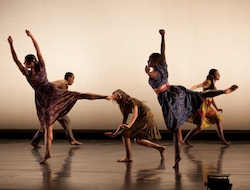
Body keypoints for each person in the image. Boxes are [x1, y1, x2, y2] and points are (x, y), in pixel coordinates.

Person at [8, 30, 108, 164]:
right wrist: (31, 37)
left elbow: (16, 59)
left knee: (49, 124)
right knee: (77, 96)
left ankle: (48, 152)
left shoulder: (28, 73)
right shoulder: (41, 66)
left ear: (30, 62)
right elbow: (37, 49)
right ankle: (105, 97)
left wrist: (11, 44)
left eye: (26, 62)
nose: (25, 64)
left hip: (43, 98)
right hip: (51, 92)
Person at [145, 29, 238, 168]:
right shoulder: (163, 65)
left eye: (150, 60)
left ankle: (177, 156)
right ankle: (223, 91)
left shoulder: (156, 72)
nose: (148, 61)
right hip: (175, 91)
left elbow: (154, 75)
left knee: (176, 129)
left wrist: (148, 72)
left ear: (155, 63)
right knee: (200, 95)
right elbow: (163, 51)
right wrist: (163, 36)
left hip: (168, 100)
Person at [104, 89, 166, 162]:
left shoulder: (132, 101)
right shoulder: (122, 106)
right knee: (138, 140)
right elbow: (125, 120)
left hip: (146, 117)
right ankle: (159, 148)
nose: (116, 101)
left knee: (126, 133)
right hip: (141, 118)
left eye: (116, 98)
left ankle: (129, 157)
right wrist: (115, 133)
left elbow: (135, 114)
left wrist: (130, 125)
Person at [31, 72, 82, 148]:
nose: (73, 80)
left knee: (65, 120)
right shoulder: (61, 82)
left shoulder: (65, 86)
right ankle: (72, 140)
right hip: (51, 108)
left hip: (55, 109)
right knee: (46, 125)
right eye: (73, 78)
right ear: (69, 78)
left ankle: (35, 141)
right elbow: (48, 85)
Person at [184, 69, 230, 147]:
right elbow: (198, 85)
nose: (219, 75)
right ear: (212, 75)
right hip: (202, 107)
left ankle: (222, 139)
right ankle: (186, 140)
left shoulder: (214, 87)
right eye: (217, 74)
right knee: (200, 127)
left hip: (208, 107)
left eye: (219, 74)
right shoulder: (208, 82)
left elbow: (211, 99)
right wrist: (190, 91)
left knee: (218, 120)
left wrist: (217, 108)